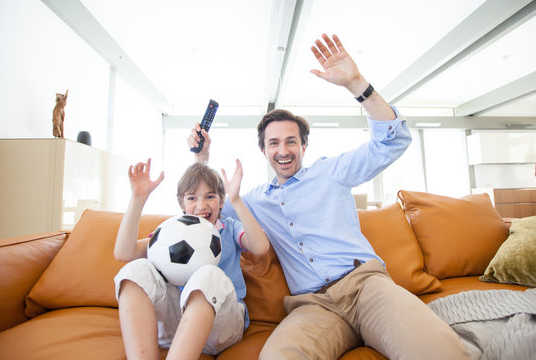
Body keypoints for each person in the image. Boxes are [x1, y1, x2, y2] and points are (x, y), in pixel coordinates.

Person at [190, 34, 471, 359]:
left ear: (304, 146)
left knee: (436, 350)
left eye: (291, 141)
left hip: (366, 287)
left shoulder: (330, 172)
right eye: (274, 143)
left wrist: (357, 85)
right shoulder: (253, 201)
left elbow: (392, 142)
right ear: (264, 151)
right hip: (312, 306)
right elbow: (209, 212)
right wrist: (202, 157)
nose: (283, 150)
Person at [113, 158, 269, 360]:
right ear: (182, 203)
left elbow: (261, 246)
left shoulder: (229, 228)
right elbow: (124, 253)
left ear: (221, 201)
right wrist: (137, 198)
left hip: (221, 326)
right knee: (136, 269)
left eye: (210, 196)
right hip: (176, 326)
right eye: (192, 198)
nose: (201, 205)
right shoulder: (172, 230)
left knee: (209, 274)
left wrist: (236, 199)